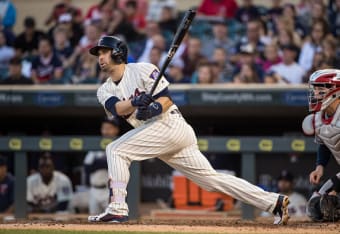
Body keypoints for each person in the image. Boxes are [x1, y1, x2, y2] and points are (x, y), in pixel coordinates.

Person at [87, 35, 290, 224]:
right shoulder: (104, 89)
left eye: (104, 52)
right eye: (98, 54)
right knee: (212, 181)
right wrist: (136, 101)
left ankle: (118, 207)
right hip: (159, 135)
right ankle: (273, 202)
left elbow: (166, 99)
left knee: (116, 150)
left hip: (170, 125)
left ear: (117, 52)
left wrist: (151, 109)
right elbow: (117, 108)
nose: (100, 57)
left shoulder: (142, 69)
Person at [302, 69, 340, 221]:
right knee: (315, 207)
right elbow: (326, 142)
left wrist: (336, 190)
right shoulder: (318, 118)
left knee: (331, 198)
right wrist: (320, 167)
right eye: (315, 88)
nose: (316, 93)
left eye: (320, 89)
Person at [84, 118, 120, 215]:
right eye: (104, 128)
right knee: (93, 221)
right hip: (94, 190)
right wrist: (105, 163)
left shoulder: (119, 145)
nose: (106, 131)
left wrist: (98, 163)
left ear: (116, 130)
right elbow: (87, 167)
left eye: (109, 128)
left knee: (113, 220)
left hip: (110, 190)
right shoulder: (95, 146)